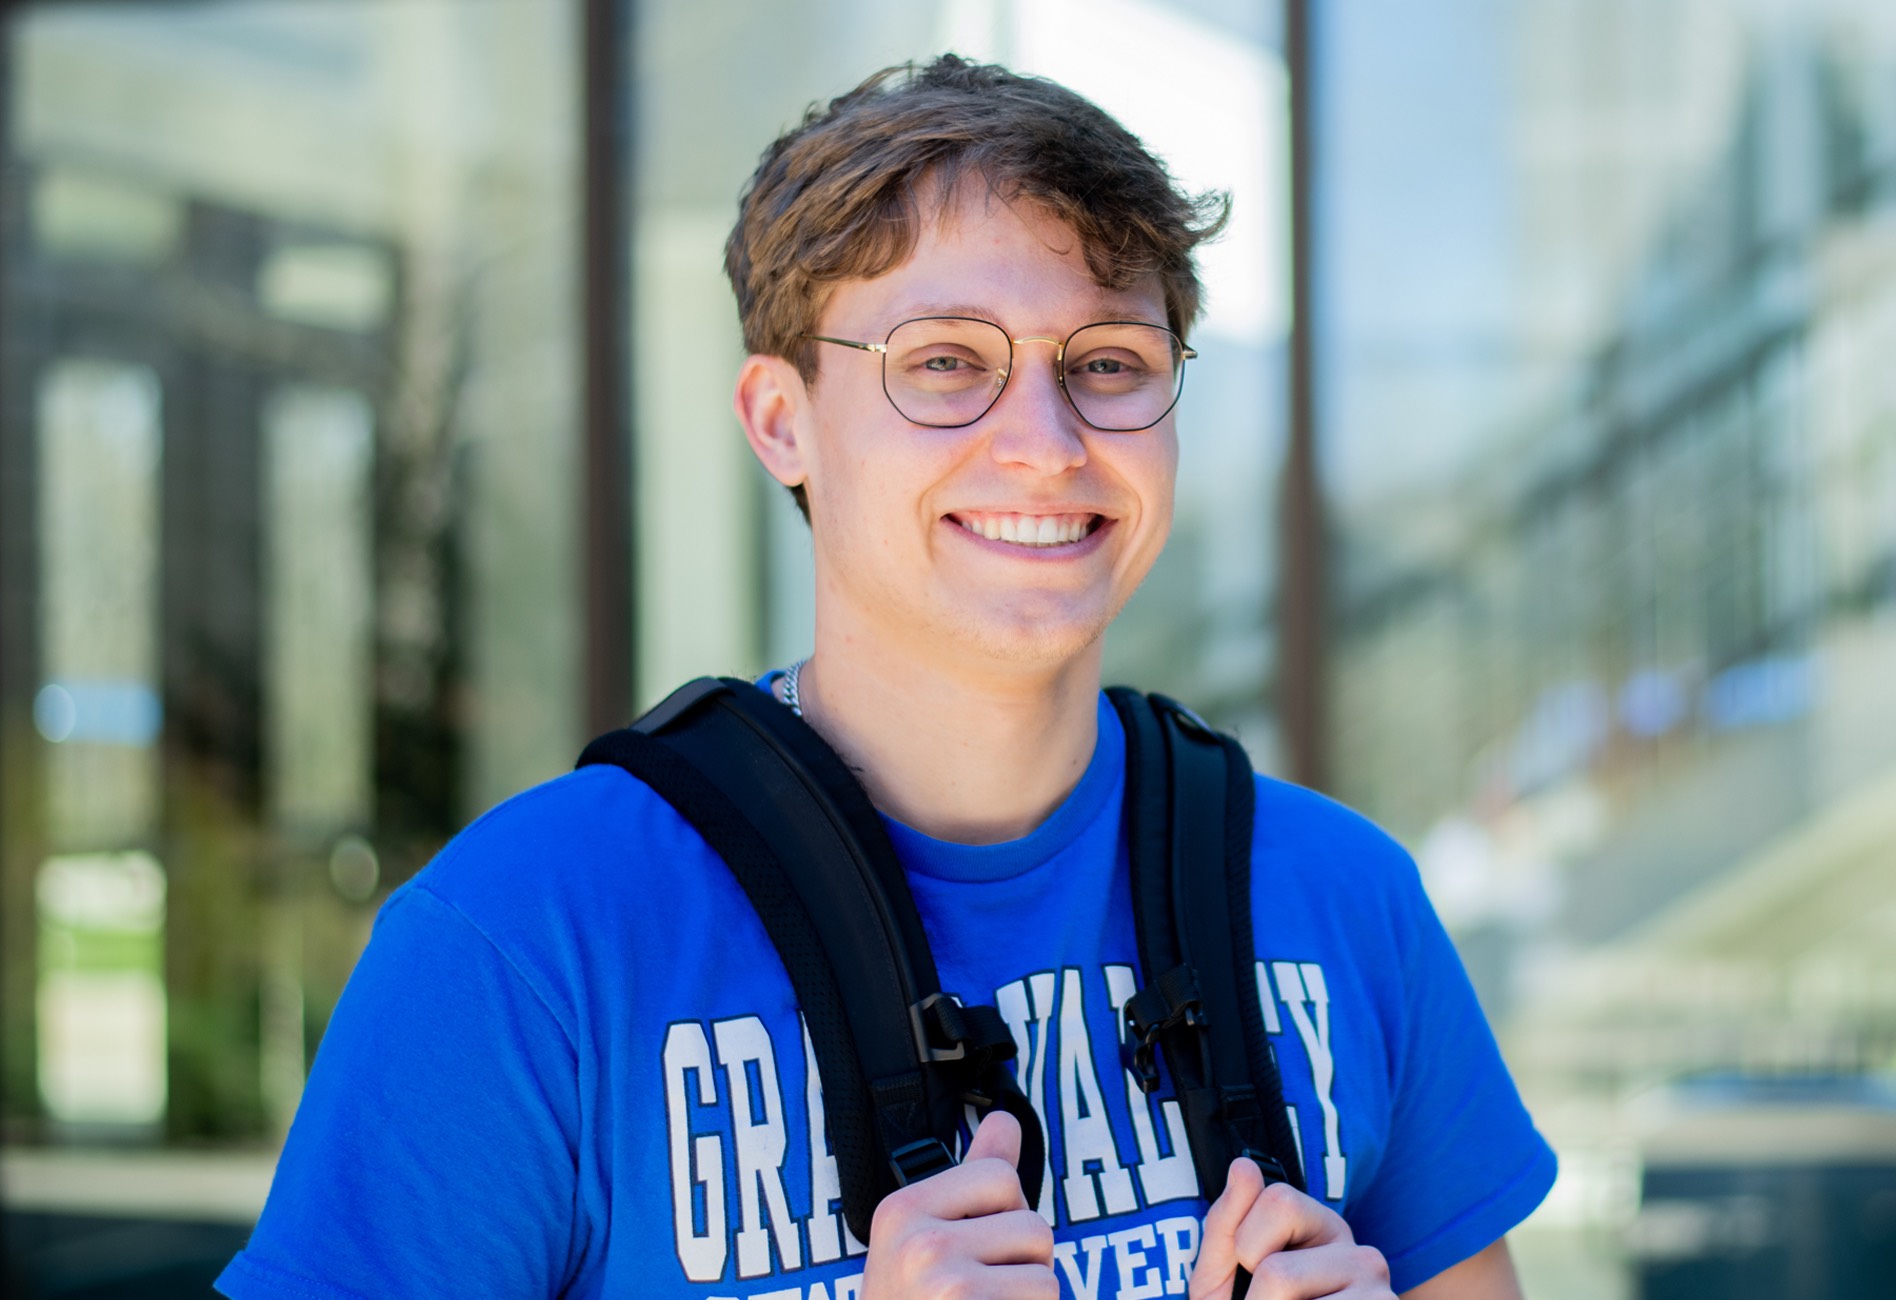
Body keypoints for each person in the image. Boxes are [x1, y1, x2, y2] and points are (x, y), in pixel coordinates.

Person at [216, 56, 1555, 1300]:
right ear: (781, 419)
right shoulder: (532, 940)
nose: (1046, 444)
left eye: (1109, 364)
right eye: (946, 364)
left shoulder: (1344, 899)